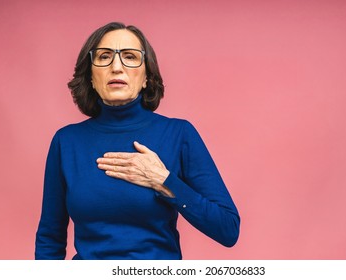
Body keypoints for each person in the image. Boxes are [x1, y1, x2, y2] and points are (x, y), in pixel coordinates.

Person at [35, 22, 240, 260]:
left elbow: (228, 229)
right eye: (104, 57)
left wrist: (164, 181)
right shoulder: (66, 141)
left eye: (130, 57)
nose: (116, 67)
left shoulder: (179, 134)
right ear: (91, 77)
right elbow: (50, 237)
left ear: (146, 78)